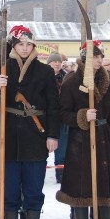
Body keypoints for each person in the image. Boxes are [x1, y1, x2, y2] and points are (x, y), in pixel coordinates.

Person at [0, 26, 59, 219]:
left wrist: (52, 135)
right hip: (8, 135)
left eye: (29, 44)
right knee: (9, 187)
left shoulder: (44, 71)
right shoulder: (1, 68)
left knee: (33, 187)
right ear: (13, 46)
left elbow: (54, 106)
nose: (25, 48)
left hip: (35, 136)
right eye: (20, 44)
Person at [57, 41, 110, 219]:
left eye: (100, 56)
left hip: (104, 136)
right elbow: (63, 114)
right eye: (95, 56)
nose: (99, 60)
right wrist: (82, 115)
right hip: (81, 140)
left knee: (107, 184)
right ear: (86, 58)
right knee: (81, 185)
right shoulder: (71, 81)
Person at [47, 52, 68, 184]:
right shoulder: (43, 76)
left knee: (62, 149)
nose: (56, 63)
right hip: (45, 116)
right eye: (54, 61)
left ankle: (61, 174)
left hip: (62, 117)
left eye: (58, 62)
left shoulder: (66, 78)